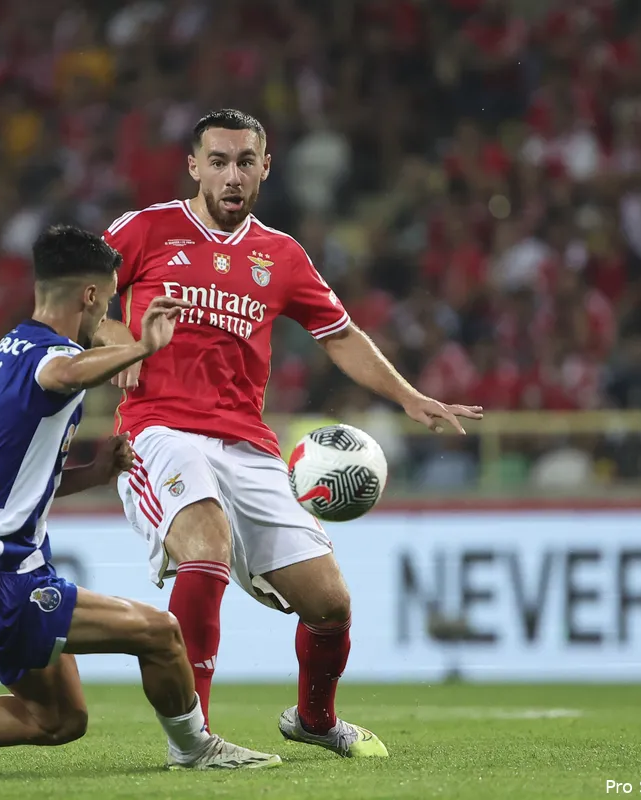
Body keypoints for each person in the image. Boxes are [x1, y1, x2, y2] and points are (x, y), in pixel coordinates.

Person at [97, 109, 484, 757]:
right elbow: (79, 299)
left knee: (330, 604)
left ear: (265, 168)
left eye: (245, 161)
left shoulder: (281, 255)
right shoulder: (143, 230)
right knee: (206, 544)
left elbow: (342, 336)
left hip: (248, 444)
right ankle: (195, 742)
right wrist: (121, 344)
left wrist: (409, 396)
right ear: (193, 166)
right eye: (217, 161)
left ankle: (314, 719)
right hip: (159, 427)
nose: (231, 174)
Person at [0, 225, 281, 774]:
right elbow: (63, 373)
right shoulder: (49, 358)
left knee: (59, 719)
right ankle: (196, 749)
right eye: (110, 296)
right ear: (90, 296)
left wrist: (93, 473)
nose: (109, 313)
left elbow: (18, 476)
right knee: (162, 635)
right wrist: (143, 346)